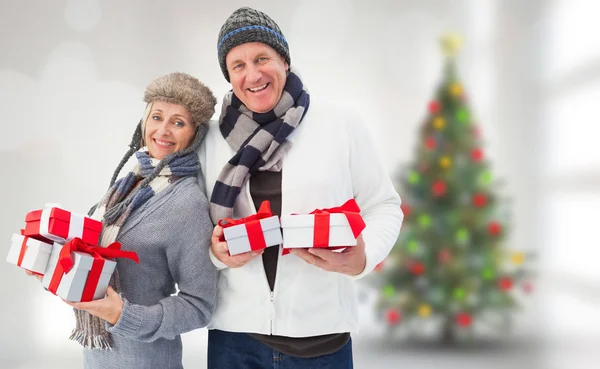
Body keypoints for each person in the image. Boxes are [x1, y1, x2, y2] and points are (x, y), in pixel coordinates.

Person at [197, 7, 403, 369]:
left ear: (285, 62)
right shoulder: (210, 140)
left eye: (262, 58)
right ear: (229, 77)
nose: (253, 74)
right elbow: (192, 230)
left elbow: (383, 205)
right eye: (238, 65)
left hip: (323, 339)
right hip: (235, 341)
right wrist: (216, 255)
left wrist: (363, 257)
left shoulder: (340, 125)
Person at [50, 72, 218, 369]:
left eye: (178, 122)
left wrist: (122, 315)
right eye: (156, 117)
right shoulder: (126, 186)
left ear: (195, 135)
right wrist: (53, 262)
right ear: (143, 122)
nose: (163, 130)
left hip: (148, 361)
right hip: (99, 356)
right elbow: (95, 253)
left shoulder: (187, 202)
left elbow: (199, 306)